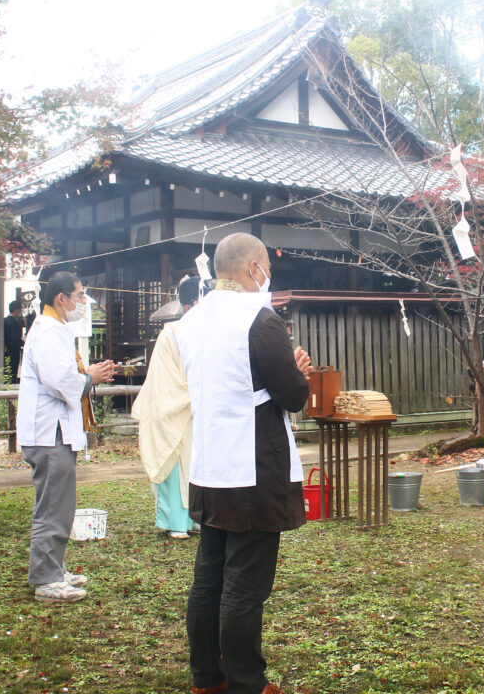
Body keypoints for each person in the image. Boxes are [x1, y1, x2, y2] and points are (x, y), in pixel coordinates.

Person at [179, 233, 311, 694]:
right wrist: (298, 372)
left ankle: (206, 678)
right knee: (245, 585)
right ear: (254, 268)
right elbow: (291, 394)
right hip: (254, 464)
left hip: (210, 461)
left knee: (209, 578)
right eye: (266, 268)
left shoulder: (191, 321)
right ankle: (246, 683)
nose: (268, 276)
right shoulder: (260, 318)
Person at [17, 271, 116, 603]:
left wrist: (88, 375)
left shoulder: (56, 329)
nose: (83, 302)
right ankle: (46, 579)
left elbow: (66, 376)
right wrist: (91, 376)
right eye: (79, 295)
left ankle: (54, 568)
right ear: (61, 298)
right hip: (48, 433)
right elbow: (59, 380)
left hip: (55, 431)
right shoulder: (47, 331)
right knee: (52, 506)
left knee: (59, 503)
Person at [133, 275, 205, 540]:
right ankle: (176, 520)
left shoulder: (210, 333)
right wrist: (193, 394)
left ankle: (195, 516)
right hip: (176, 408)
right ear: (188, 306)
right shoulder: (170, 333)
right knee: (176, 461)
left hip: (200, 410)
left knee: (198, 464)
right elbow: (165, 379)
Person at [4, 300, 24, 383]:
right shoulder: (13, 323)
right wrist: (24, 343)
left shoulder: (5, 321)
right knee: (12, 372)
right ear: (16, 310)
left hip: (5, 352)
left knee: (6, 372)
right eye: (20, 310)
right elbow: (15, 339)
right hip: (13, 352)